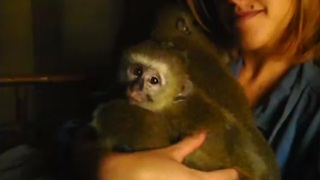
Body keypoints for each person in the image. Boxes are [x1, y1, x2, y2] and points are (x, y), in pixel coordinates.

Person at [99, 0, 320, 179]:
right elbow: (78, 129)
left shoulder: (312, 109)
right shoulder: (178, 54)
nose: (233, 1)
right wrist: (101, 165)